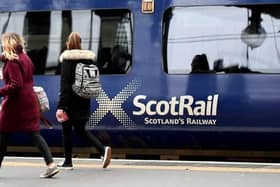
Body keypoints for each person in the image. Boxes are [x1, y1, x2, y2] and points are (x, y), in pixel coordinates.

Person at [0, 32, 59, 178]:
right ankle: (50, 164)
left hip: (16, 104)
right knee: (34, 133)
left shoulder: (13, 62)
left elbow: (16, 85)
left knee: (2, 133)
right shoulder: (25, 58)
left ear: (7, 44)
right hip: (29, 101)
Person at [56, 32, 112, 170]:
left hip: (70, 102)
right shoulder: (89, 60)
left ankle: (68, 162)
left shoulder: (67, 60)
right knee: (80, 130)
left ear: (68, 43)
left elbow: (65, 85)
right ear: (80, 43)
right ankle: (102, 150)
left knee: (66, 130)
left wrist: (61, 106)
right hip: (84, 99)